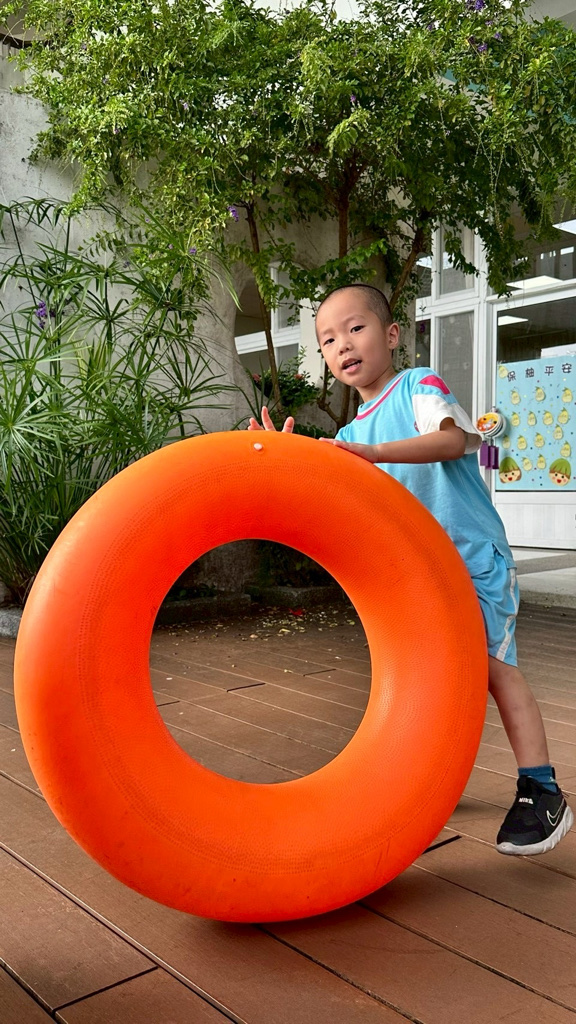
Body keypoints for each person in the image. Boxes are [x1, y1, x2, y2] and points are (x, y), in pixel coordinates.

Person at [248, 282, 573, 856]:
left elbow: (450, 441)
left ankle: (542, 791)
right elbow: (329, 489)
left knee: (491, 668)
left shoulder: (418, 386)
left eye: (356, 328)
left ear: (392, 334)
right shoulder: (349, 436)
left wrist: (374, 455)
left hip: (471, 559)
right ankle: (425, 793)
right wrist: (284, 458)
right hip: (421, 578)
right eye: (329, 340)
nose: (344, 345)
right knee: (432, 678)